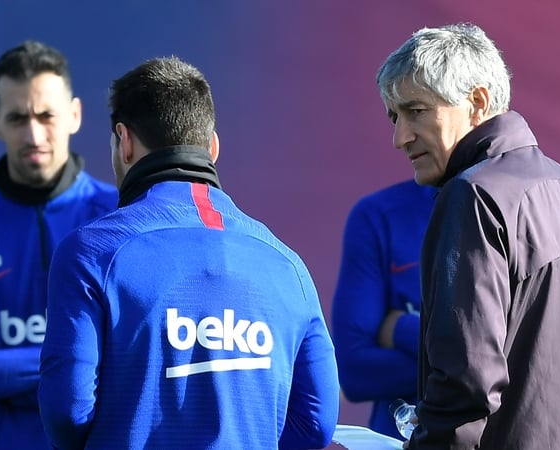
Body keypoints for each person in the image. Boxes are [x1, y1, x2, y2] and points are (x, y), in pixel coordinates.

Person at [37, 56, 340, 450]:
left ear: (124, 142)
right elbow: (316, 424)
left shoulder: (91, 253)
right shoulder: (287, 265)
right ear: (212, 147)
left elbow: (67, 415)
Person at [375, 23, 560, 449]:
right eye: (394, 116)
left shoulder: (473, 195)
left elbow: (466, 382)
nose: (399, 138)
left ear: (478, 102)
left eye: (416, 111)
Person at [0, 41, 118, 450]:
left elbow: (140, 354)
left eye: (46, 115)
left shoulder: (120, 218)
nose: (33, 134)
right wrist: (89, 356)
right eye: (17, 118)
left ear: (75, 115)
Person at [331, 178, 435, 438]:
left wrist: (400, 329)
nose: (401, 139)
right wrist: (473, 364)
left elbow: (523, 351)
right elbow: (354, 370)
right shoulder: (380, 215)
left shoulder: (529, 205)